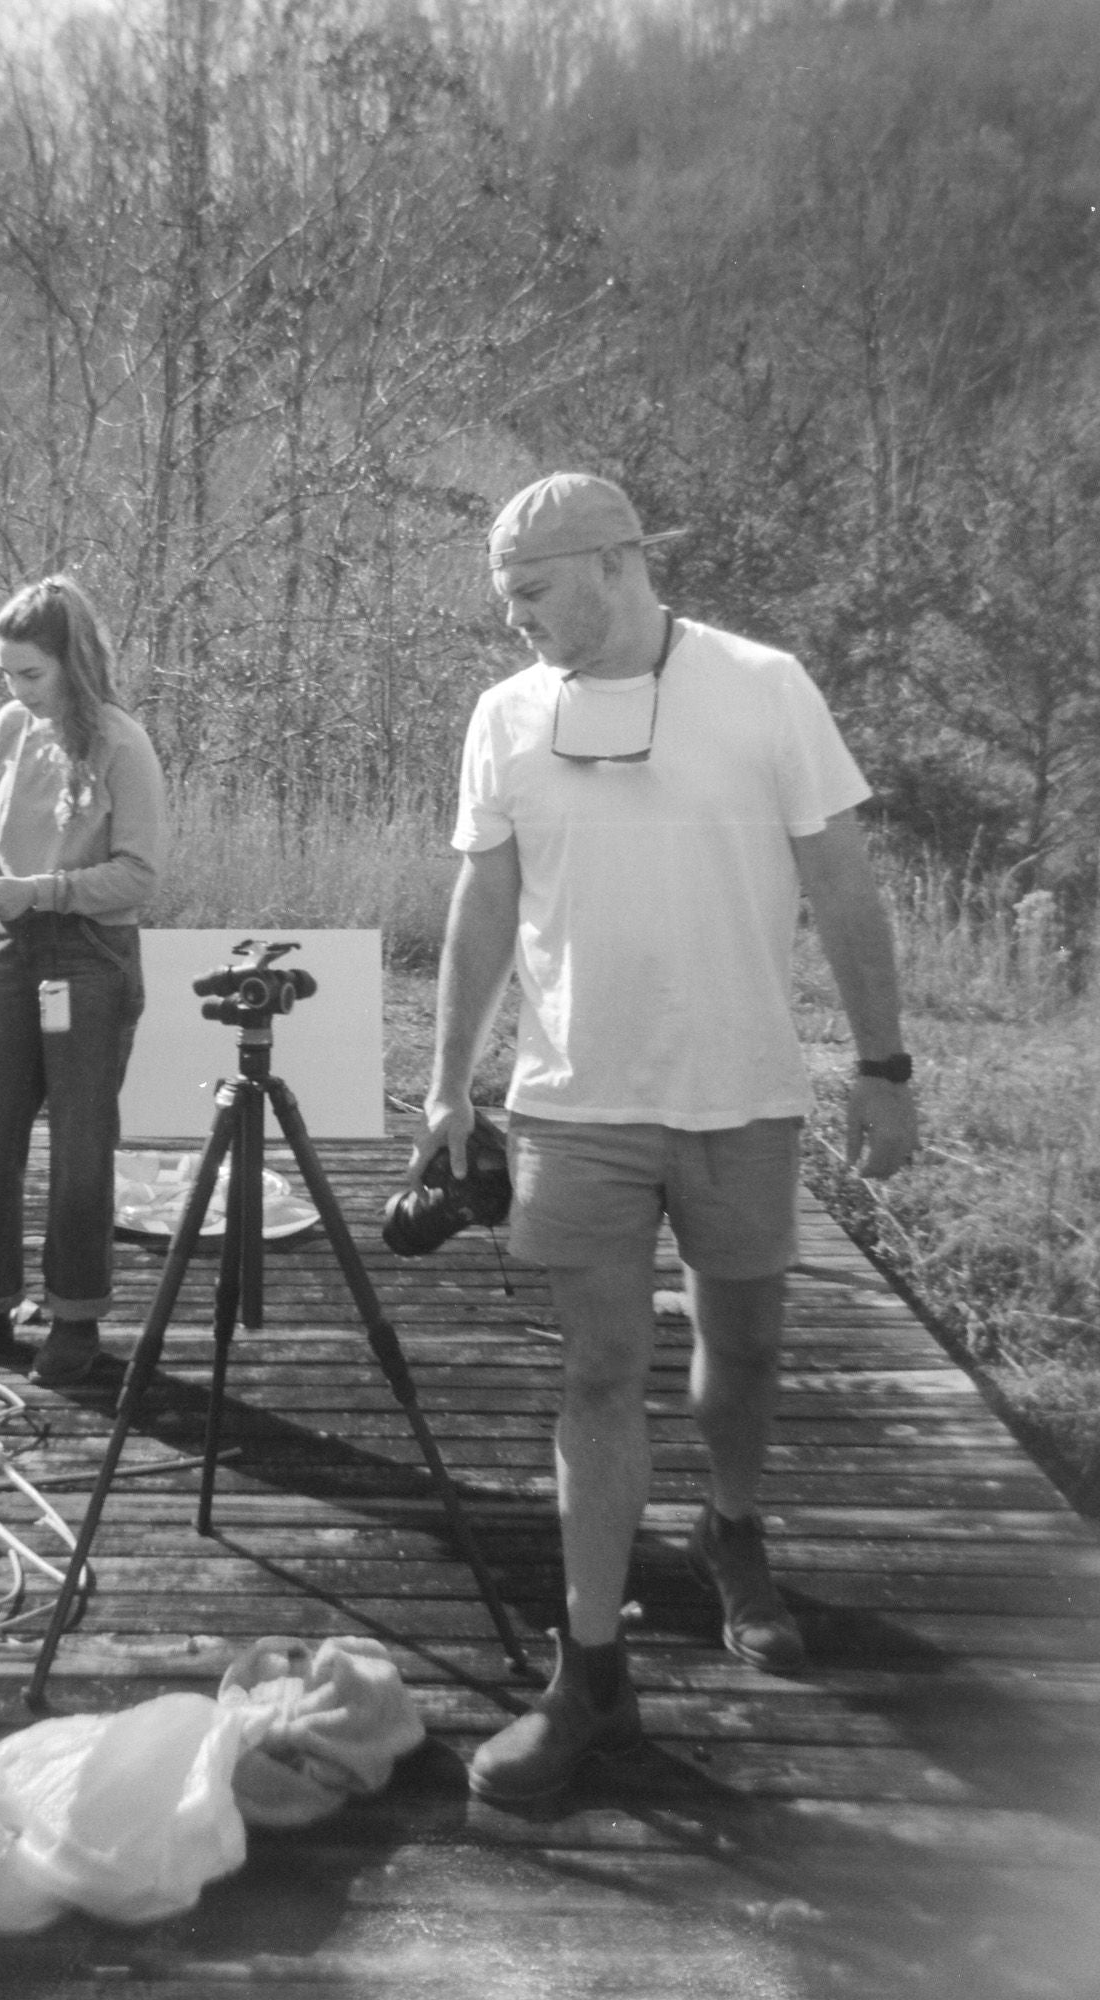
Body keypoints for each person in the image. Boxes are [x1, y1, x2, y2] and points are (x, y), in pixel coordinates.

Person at [414, 472, 918, 1806]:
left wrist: (885, 1066)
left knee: (742, 1347)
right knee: (599, 1374)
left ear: (618, 565)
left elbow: (844, 885)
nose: (512, 618)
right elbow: (483, 901)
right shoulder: (505, 717)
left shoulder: (764, 687)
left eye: (530, 591)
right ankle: (589, 1677)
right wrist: (446, 1080)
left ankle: (732, 1527)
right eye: (503, 593)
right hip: (574, 1099)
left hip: (743, 1092)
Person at [0, 575, 167, 1388]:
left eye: (32, 674)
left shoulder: (123, 743)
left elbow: (138, 875)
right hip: (9, 948)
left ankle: (77, 1318)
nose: (18, 691)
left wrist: (42, 891)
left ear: (73, 662)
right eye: (6, 675)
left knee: (82, 1146)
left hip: (89, 957)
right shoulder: (10, 727)